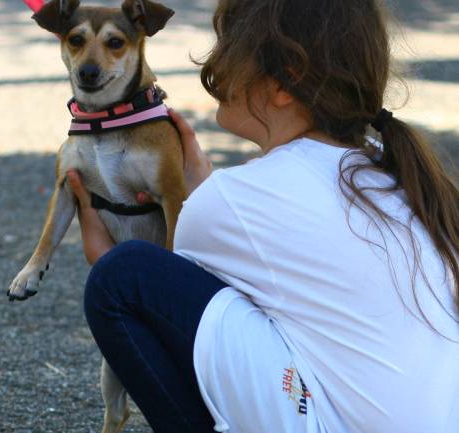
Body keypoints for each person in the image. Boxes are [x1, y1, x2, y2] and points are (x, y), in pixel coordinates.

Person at [65, 0, 459, 432]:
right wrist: (207, 192)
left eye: (229, 47)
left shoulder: (233, 202)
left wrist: (105, 255)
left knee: (125, 276)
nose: (217, 63)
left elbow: (174, 296)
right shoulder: (394, 170)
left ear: (284, 82)